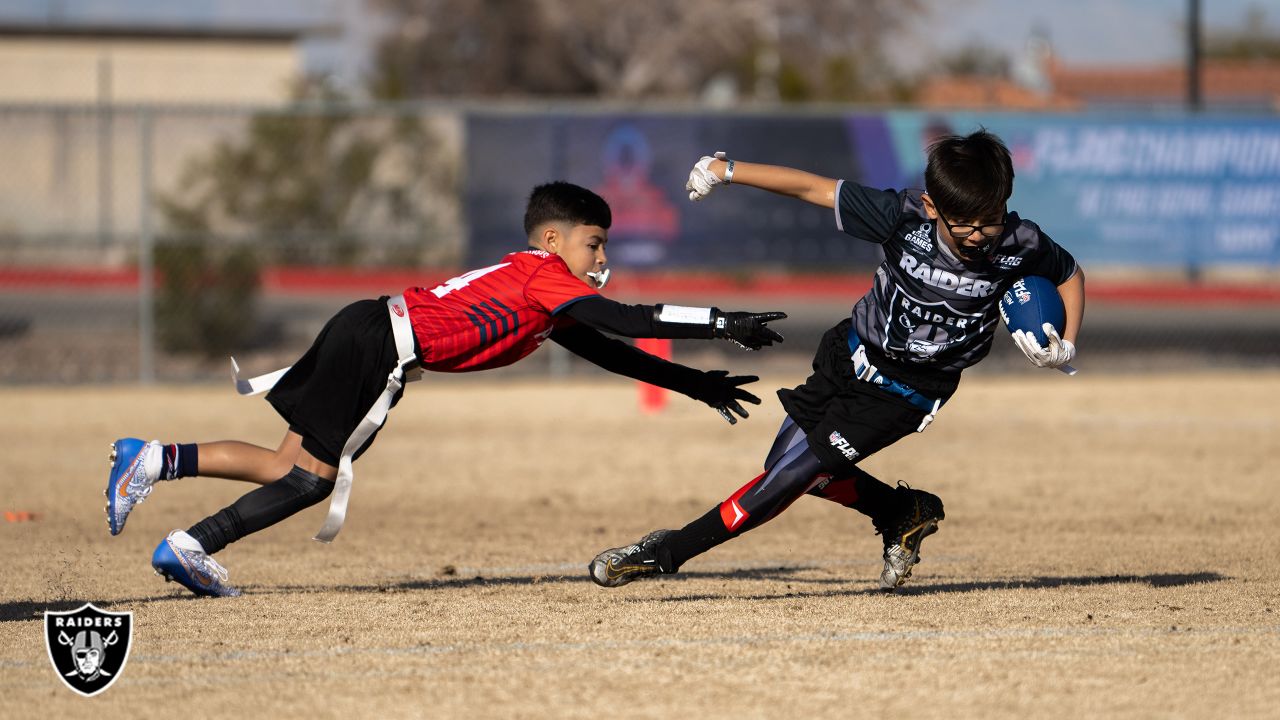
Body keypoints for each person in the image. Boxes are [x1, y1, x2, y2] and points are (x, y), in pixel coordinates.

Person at [105, 181, 787, 598]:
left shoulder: (536, 285)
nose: (602, 259)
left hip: (369, 325)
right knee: (311, 480)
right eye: (595, 244)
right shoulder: (546, 275)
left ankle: (159, 465)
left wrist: (694, 383)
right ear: (553, 239)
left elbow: (609, 351)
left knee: (289, 465)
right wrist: (723, 321)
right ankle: (191, 544)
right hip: (384, 346)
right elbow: (629, 320)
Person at [589, 130, 1085, 592]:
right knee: (782, 467)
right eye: (964, 223)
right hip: (849, 354)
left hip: (906, 391)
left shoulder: (1022, 243)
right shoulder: (902, 216)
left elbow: (1069, 273)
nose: (978, 235)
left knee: (789, 477)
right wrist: (728, 169)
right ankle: (900, 510)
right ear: (932, 206)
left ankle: (667, 551)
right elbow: (811, 187)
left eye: (990, 220)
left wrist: (1066, 342)